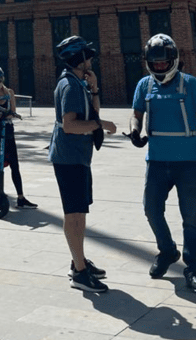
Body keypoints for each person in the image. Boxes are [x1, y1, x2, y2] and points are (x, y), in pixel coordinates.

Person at [125, 33, 196, 295]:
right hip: (157, 161)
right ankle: (167, 250)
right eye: (154, 63)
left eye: (163, 63)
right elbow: (136, 114)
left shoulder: (191, 85)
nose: (159, 67)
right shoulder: (144, 86)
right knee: (151, 210)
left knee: (190, 216)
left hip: (187, 162)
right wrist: (135, 131)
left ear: (173, 60)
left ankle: (192, 268)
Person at [49, 36, 116, 293]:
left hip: (78, 156)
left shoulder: (80, 83)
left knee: (80, 212)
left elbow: (93, 111)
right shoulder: (70, 86)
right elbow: (70, 125)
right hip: (68, 157)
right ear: (79, 59)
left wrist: (95, 87)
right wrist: (102, 125)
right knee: (74, 214)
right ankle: (79, 272)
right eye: (88, 56)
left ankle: (78, 259)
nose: (91, 60)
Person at [0, 66, 37, 209]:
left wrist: (8, 114)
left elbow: (14, 112)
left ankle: (21, 198)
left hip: (8, 130)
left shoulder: (9, 93)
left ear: (3, 79)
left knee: (14, 164)